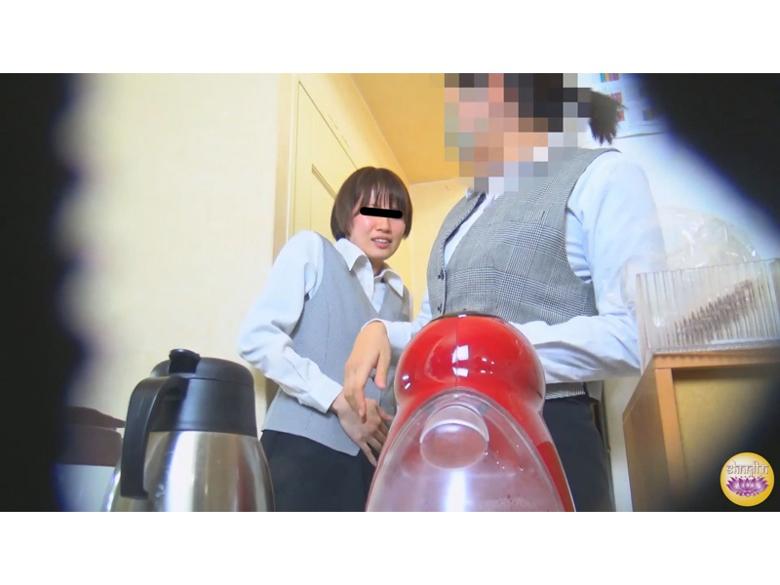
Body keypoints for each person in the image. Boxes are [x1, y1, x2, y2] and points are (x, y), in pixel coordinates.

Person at [342, 74, 667, 511]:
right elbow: (434, 330)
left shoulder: (602, 175)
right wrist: (380, 328)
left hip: (545, 434)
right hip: (436, 447)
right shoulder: (458, 216)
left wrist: (492, 355)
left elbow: (637, 334)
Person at [238, 166, 413, 511]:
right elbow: (257, 337)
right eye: (371, 211)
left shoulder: (401, 296)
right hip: (300, 451)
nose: (384, 224)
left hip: (370, 463)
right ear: (347, 214)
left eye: (395, 215)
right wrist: (338, 400)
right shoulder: (312, 250)